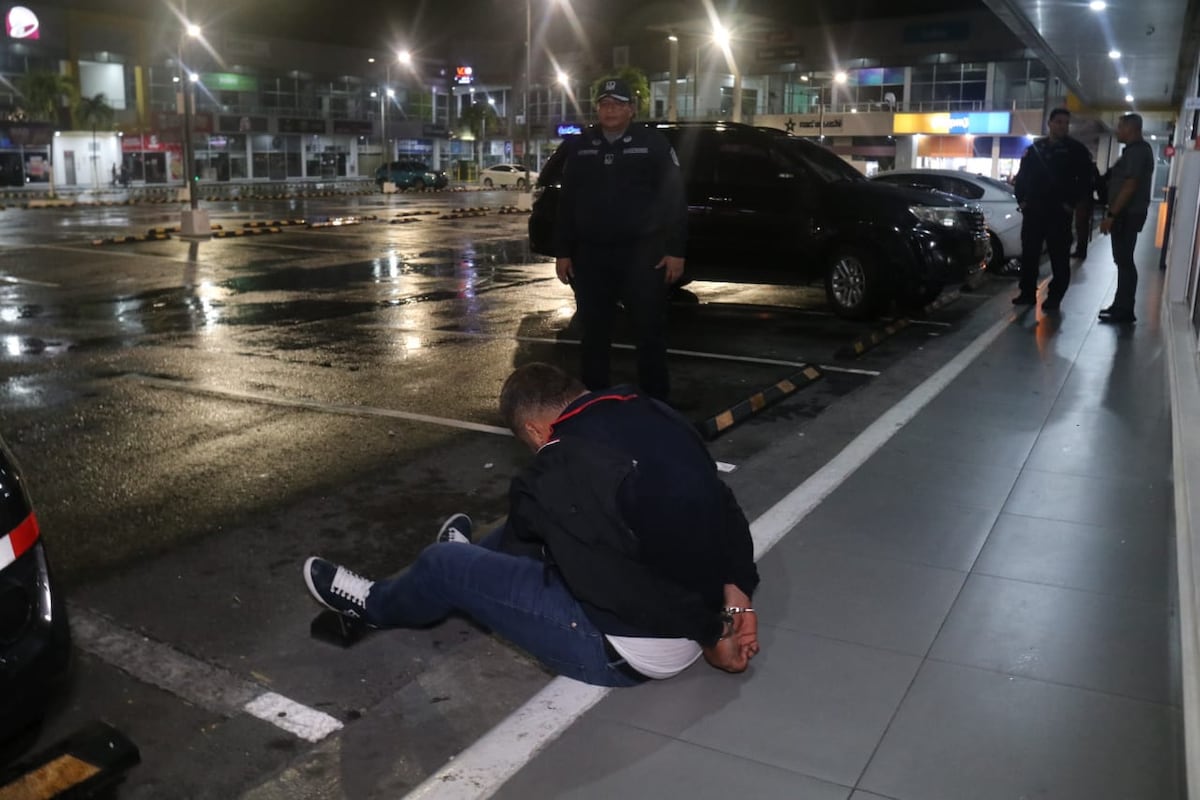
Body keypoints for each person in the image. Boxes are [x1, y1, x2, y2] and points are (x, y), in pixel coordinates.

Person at [302, 362, 761, 687]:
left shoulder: (557, 467)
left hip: (626, 651)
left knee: (442, 564)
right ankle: (472, 559)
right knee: (533, 526)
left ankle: (373, 605)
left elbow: (619, 589)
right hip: (695, 605)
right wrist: (737, 588)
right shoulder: (653, 412)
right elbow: (723, 503)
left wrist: (712, 634)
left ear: (537, 432)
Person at [554, 78, 688, 402]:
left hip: (643, 256)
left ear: (631, 109)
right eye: (604, 104)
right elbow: (567, 202)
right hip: (592, 257)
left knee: (649, 333)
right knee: (594, 334)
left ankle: (656, 403)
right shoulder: (581, 145)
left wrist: (676, 251)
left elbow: (674, 199)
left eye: (617, 104)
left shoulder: (652, 143)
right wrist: (563, 252)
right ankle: (595, 403)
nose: (610, 109)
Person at [1012, 108, 1094, 312]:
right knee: (1030, 253)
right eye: (1058, 122)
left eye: (1066, 123)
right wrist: (1022, 200)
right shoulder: (1035, 149)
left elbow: (1085, 181)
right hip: (1034, 211)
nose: (1062, 126)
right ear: (1049, 123)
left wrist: (1070, 204)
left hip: (1059, 213)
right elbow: (1022, 177)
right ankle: (1027, 293)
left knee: (1059, 256)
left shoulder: (1076, 150)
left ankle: (1055, 296)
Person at [1097, 113, 1156, 324]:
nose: (1117, 131)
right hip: (1126, 214)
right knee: (1122, 261)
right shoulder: (1134, 151)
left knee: (1124, 261)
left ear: (1131, 128)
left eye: (1120, 127)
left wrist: (1112, 215)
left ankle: (1124, 309)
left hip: (1126, 215)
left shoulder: (1138, 152)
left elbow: (1130, 185)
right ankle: (1120, 305)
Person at [1071, 161, 1102, 260]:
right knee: (1082, 225)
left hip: (1083, 198)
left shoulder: (1083, 167)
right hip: (1086, 198)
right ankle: (1081, 249)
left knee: (1081, 225)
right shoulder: (1091, 167)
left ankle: (1081, 250)